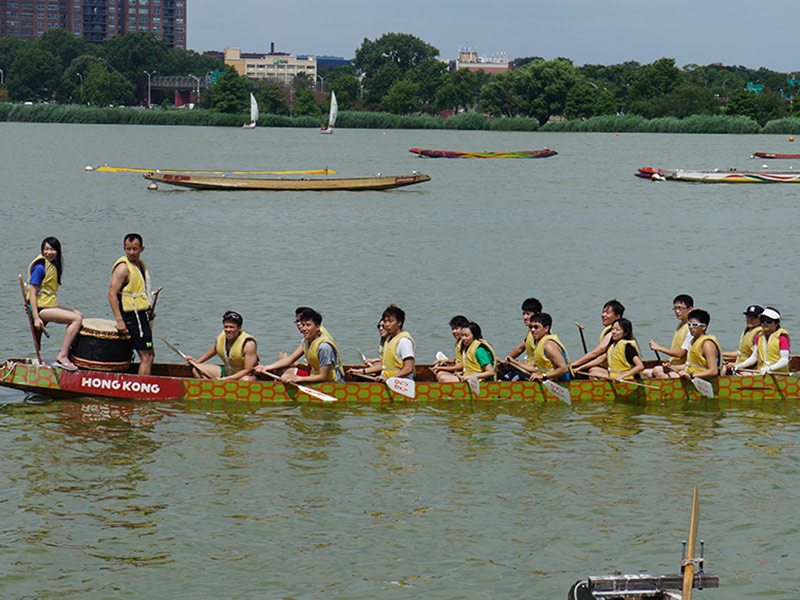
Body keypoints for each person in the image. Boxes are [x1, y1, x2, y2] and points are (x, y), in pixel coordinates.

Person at [26, 237, 83, 370]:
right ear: (42, 250)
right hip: (41, 310)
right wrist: (36, 318)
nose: (49, 252)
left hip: (48, 305)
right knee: (76, 319)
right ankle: (63, 355)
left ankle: (72, 353)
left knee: (79, 315)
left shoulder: (52, 266)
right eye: (46, 249)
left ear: (58, 251)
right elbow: (32, 293)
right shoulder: (40, 268)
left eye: (52, 249)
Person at [108, 233, 155, 375]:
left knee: (149, 353)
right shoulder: (123, 268)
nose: (131, 252)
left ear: (142, 249)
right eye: (128, 249)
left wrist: (148, 310)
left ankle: (141, 384)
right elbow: (112, 294)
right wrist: (119, 320)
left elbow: (139, 291)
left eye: (135, 249)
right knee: (147, 356)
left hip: (140, 315)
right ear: (124, 248)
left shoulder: (139, 265)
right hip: (132, 317)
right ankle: (142, 390)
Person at [256, 308, 344, 383]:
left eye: (308, 325)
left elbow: (323, 377)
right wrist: (265, 367)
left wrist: (298, 379)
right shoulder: (306, 341)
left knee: (286, 374)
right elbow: (290, 360)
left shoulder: (324, 347)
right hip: (314, 377)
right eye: (303, 325)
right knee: (281, 372)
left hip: (331, 383)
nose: (304, 329)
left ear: (317, 327)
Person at [185, 311, 259, 381]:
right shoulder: (220, 338)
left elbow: (247, 371)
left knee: (245, 380)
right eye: (226, 327)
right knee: (196, 369)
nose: (228, 330)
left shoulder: (248, 344)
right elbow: (215, 349)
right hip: (228, 371)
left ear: (239, 328)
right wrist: (197, 361)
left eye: (231, 327)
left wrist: (227, 379)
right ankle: (212, 389)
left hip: (245, 376)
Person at [349, 304, 415, 381]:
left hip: (401, 385)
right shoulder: (388, 340)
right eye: (385, 321)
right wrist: (360, 371)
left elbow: (409, 368)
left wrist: (390, 379)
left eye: (390, 321)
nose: (386, 325)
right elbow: (382, 365)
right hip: (387, 381)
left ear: (399, 323)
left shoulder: (404, 341)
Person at [507, 313, 572, 382]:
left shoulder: (549, 345)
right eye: (531, 327)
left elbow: (563, 369)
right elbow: (536, 368)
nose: (532, 330)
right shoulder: (539, 342)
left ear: (546, 328)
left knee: (516, 377)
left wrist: (543, 376)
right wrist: (514, 362)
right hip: (544, 379)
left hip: (557, 384)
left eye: (536, 327)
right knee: (510, 372)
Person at [642, 294, 694, 379]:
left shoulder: (691, 329)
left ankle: (669, 391)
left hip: (683, 368)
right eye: (675, 308)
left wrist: (659, 348)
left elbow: (681, 354)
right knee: (645, 373)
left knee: (657, 371)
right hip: (673, 364)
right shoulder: (680, 325)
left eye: (680, 308)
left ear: (690, 309)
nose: (677, 311)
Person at [662, 309, 721, 380]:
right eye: (689, 324)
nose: (690, 327)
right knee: (658, 369)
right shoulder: (693, 341)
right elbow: (690, 365)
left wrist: (691, 375)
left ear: (703, 327)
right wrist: (670, 367)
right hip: (691, 375)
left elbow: (713, 371)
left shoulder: (707, 344)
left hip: (702, 380)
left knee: (659, 374)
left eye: (694, 325)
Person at [433, 321, 497, 382]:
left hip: (479, 382)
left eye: (466, 336)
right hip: (467, 378)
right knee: (440, 374)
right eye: (462, 335)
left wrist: (471, 377)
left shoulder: (479, 350)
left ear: (474, 336)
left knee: (443, 378)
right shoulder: (467, 347)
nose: (463, 338)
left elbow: (490, 372)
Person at [571, 299, 625, 372]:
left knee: (593, 370)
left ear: (617, 316)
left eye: (607, 313)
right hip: (611, 369)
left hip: (619, 372)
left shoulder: (613, 333)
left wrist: (573, 364)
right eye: (603, 312)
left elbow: (596, 352)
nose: (603, 315)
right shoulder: (613, 331)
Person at [733, 307, 790, 375]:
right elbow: (754, 357)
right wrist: (741, 365)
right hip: (762, 371)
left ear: (777, 323)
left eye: (769, 321)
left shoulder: (782, 338)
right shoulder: (759, 337)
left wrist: (770, 368)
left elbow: (784, 360)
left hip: (778, 374)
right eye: (762, 320)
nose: (765, 323)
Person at [499, 297, 543, 381]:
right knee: (504, 371)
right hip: (527, 367)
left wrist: (517, 364)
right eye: (523, 314)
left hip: (536, 371)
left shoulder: (541, 334)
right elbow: (521, 348)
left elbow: (542, 361)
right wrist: (508, 359)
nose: (525, 317)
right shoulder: (531, 332)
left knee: (513, 377)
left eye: (528, 314)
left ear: (537, 314)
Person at [721, 305, 763, 374]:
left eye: (754, 317)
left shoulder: (760, 334)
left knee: (724, 369)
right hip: (741, 363)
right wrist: (721, 354)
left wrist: (738, 364)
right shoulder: (749, 331)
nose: (750, 319)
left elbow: (756, 359)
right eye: (748, 316)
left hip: (751, 368)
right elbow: (741, 353)